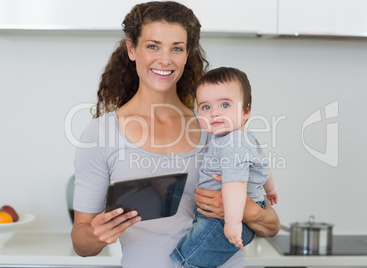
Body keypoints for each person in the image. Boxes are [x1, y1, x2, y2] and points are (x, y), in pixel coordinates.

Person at [71, 2, 280, 268]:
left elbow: (271, 225)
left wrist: (247, 210)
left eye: (177, 48)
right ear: (131, 49)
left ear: (187, 54)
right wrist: (97, 234)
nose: (165, 59)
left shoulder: (215, 127)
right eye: (153, 46)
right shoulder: (100, 134)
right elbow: (81, 242)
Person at [170, 67, 278, 267]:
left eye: (225, 104)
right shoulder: (242, 137)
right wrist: (269, 189)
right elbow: (263, 165)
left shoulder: (232, 143)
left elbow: (234, 184)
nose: (215, 113)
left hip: (221, 222)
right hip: (226, 218)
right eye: (205, 107)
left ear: (246, 110)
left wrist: (232, 223)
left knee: (187, 261)